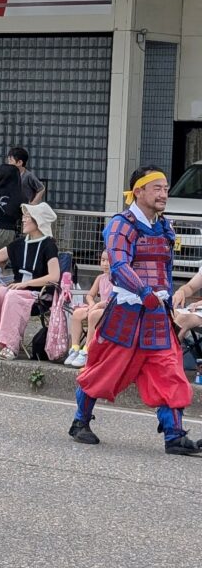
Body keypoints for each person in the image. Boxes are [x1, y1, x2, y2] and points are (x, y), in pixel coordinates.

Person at [69, 167, 200, 456]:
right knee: (107, 369)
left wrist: (165, 298)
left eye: (166, 188)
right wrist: (144, 292)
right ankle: (80, 421)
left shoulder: (165, 226)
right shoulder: (121, 224)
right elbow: (118, 265)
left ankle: (175, 435)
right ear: (138, 191)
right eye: (157, 188)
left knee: (170, 369)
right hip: (127, 313)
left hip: (157, 314)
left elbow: (165, 267)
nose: (164, 193)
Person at [0, 202, 60, 360]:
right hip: (18, 289)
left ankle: (10, 346)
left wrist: (26, 284)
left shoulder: (49, 245)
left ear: (38, 220)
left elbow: (54, 276)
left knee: (12, 296)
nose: (23, 220)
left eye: (28, 217)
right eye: (24, 216)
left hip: (39, 294)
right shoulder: (19, 244)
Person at [63, 252, 113, 368]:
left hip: (111, 309)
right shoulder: (100, 278)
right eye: (103, 260)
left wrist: (97, 306)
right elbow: (90, 295)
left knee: (93, 315)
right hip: (98, 307)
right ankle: (75, 348)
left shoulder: (117, 279)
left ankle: (87, 349)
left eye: (108, 261)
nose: (105, 264)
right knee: (77, 313)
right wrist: (91, 304)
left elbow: (113, 299)